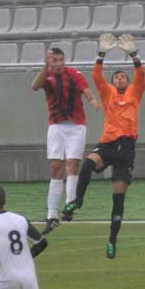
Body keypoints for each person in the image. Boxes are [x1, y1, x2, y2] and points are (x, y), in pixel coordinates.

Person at [62, 34, 145, 259]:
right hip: (108, 143)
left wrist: (134, 55)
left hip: (126, 148)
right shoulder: (107, 93)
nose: (119, 79)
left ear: (127, 82)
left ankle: (112, 240)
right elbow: (97, 76)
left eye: (122, 77)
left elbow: (141, 75)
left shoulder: (134, 94)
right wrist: (101, 55)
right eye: (116, 77)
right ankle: (77, 201)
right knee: (88, 164)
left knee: (118, 197)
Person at [31, 47, 99, 235]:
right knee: (55, 167)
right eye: (55, 60)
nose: (60, 63)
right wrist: (45, 67)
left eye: (62, 59)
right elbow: (35, 86)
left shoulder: (74, 74)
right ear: (50, 61)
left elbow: (85, 89)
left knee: (71, 165)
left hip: (76, 126)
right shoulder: (47, 76)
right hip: (56, 126)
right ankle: (51, 215)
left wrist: (93, 100)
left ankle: (69, 207)